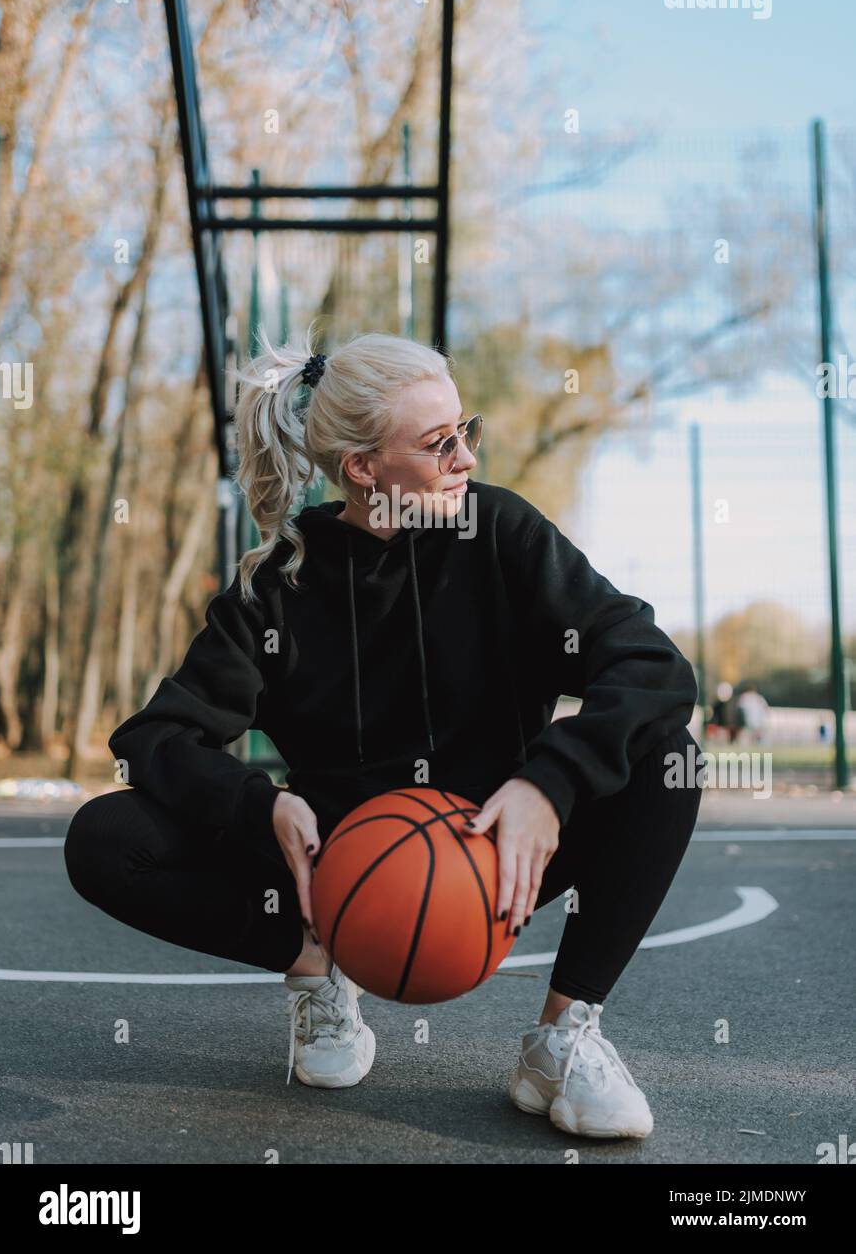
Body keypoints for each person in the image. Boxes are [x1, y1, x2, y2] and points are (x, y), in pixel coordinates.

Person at [63, 328, 702, 1142]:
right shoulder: (277, 590)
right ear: (364, 469)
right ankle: (314, 970)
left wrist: (550, 783)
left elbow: (651, 666)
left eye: (466, 431)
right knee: (105, 837)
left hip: (498, 856)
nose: (465, 459)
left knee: (667, 757)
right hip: (344, 878)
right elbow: (152, 739)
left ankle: (561, 1037)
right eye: (438, 445)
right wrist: (257, 806)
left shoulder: (499, 533)